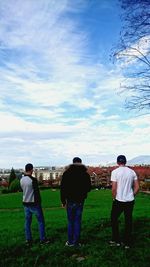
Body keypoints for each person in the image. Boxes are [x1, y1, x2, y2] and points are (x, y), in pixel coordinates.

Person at [109, 155, 139, 249]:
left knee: (114, 219)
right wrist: (131, 195)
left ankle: (116, 240)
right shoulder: (132, 172)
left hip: (119, 200)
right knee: (128, 220)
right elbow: (137, 187)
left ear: (118, 162)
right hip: (130, 201)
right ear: (125, 162)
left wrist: (114, 198)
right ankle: (127, 243)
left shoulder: (115, 172)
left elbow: (114, 188)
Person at [60, 157, 91, 247]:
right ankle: (76, 242)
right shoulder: (85, 174)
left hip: (69, 200)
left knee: (70, 221)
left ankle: (70, 242)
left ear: (73, 163)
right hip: (80, 200)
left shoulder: (66, 173)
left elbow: (62, 189)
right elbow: (89, 188)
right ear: (81, 163)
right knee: (77, 221)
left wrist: (63, 201)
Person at [20, 163, 50, 246]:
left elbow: (23, 190)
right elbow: (37, 193)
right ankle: (43, 240)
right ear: (31, 170)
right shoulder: (33, 180)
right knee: (41, 221)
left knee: (27, 222)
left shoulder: (21, 179)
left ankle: (28, 240)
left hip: (25, 203)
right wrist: (39, 203)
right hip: (34, 203)